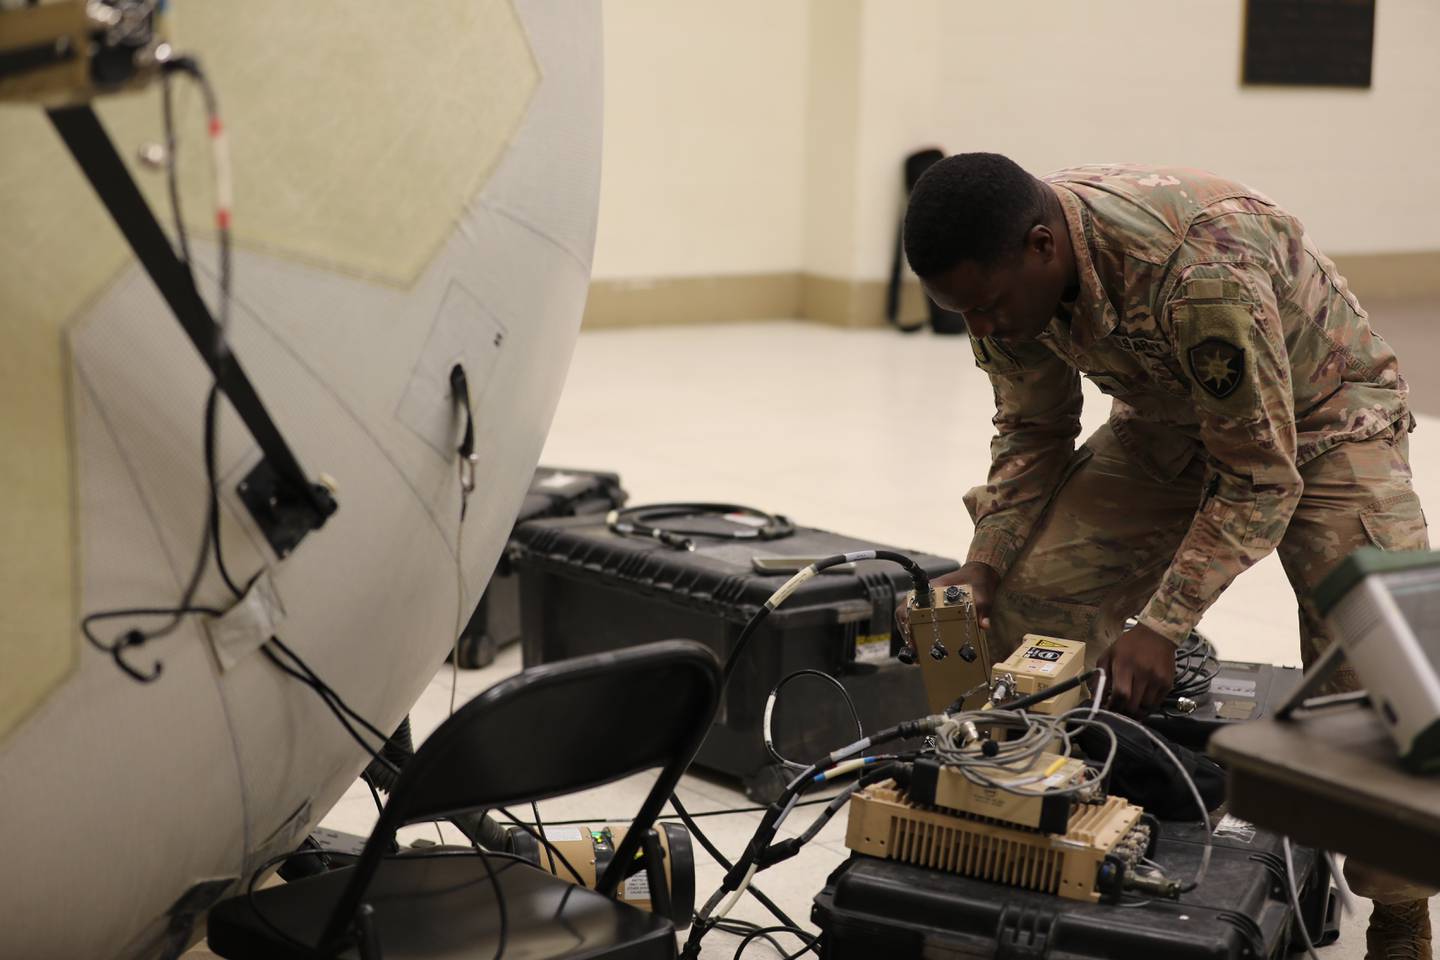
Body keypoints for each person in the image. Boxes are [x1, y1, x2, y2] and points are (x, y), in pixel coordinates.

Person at [902, 152, 1431, 959]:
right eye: (960, 313)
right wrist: (985, 561)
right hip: (1169, 416)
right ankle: (1050, 809)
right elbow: (1031, 431)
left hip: (1327, 417)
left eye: (986, 307)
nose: (982, 328)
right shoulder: (1012, 285)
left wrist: (1165, 623)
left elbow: (1259, 474)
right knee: (1031, 599)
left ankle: (1400, 913)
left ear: (1043, 246)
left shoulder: (1196, 271)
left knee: (1379, 663)